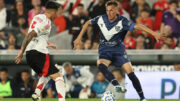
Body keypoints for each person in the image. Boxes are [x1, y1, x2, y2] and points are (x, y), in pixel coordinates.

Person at [74, 1, 166, 101]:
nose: (109, 13)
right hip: (105, 50)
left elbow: (139, 26)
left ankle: (142, 98)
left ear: (117, 10)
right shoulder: (101, 18)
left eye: (111, 10)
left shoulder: (123, 21)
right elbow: (87, 23)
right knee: (100, 65)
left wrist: (154, 33)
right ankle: (116, 85)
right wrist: (78, 38)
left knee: (131, 74)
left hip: (119, 51)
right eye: (107, 10)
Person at [15, 1, 66, 101]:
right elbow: (30, 35)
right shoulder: (46, 22)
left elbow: (35, 36)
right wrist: (21, 51)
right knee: (59, 76)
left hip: (30, 54)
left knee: (46, 74)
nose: (57, 15)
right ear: (53, 11)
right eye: (57, 12)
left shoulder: (37, 17)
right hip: (39, 53)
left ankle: (36, 94)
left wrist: (47, 43)